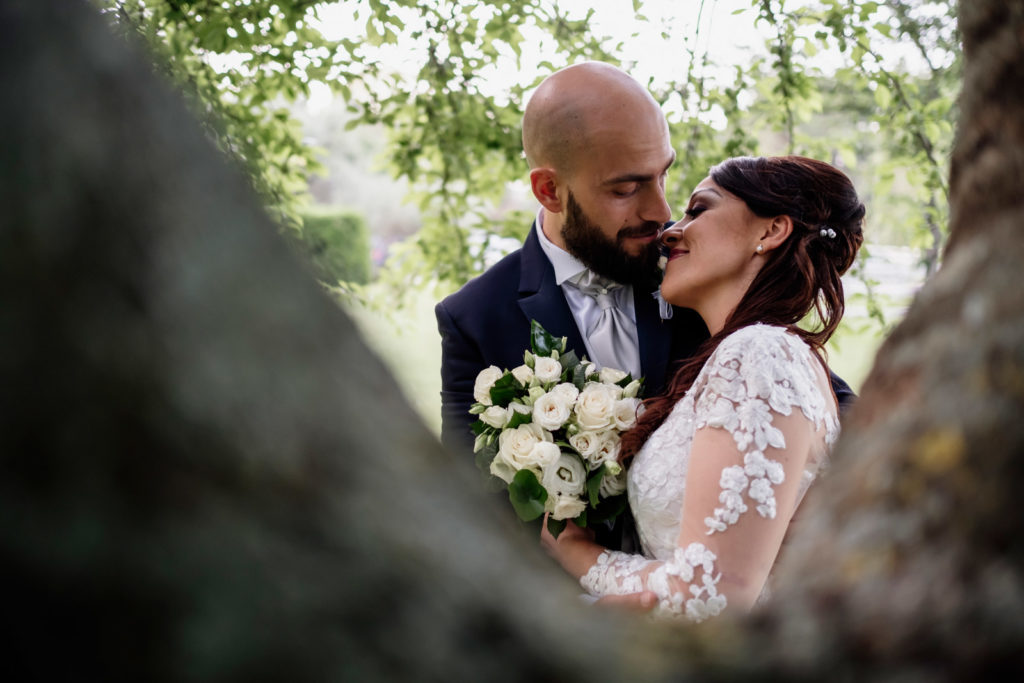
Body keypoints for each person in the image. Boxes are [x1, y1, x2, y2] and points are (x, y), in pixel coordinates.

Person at [541, 155, 865, 621]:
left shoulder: (759, 353)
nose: (670, 231)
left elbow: (711, 597)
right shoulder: (748, 354)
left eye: (698, 209)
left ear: (772, 230)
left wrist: (580, 556)